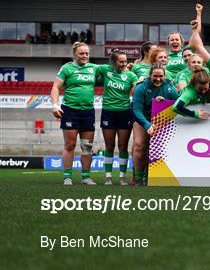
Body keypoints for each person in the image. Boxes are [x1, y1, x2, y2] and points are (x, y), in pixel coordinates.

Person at [50, 42, 97, 185]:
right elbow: (55, 87)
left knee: (87, 146)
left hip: (88, 112)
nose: (85, 56)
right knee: (70, 145)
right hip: (70, 111)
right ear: (75, 54)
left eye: (87, 53)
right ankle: (68, 177)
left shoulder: (94, 68)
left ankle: (86, 177)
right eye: (82, 53)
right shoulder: (67, 68)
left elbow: (114, 71)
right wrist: (54, 105)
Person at [131, 64, 179, 186]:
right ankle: (138, 177)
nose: (158, 79)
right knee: (139, 146)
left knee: (154, 150)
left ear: (165, 76)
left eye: (161, 76)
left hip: (161, 120)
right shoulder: (141, 87)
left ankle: (149, 176)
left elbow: (177, 103)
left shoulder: (170, 87)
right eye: (155, 76)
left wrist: (165, 103)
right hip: (143, 119)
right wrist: (147, 125)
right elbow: (136, 109)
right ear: (150, 75)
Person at [96, 50, 138, 185]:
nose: (124, 64)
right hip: (108, 112)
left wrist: (140, 81)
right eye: (121, 61)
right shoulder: (105, 69)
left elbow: (137, 90)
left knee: (123, 146)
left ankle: (122, 177)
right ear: (113, 62)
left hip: (125, 112)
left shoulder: (131, 75)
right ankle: (108, 176)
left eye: (125, 61)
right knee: (109, 146)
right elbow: (90, 68)